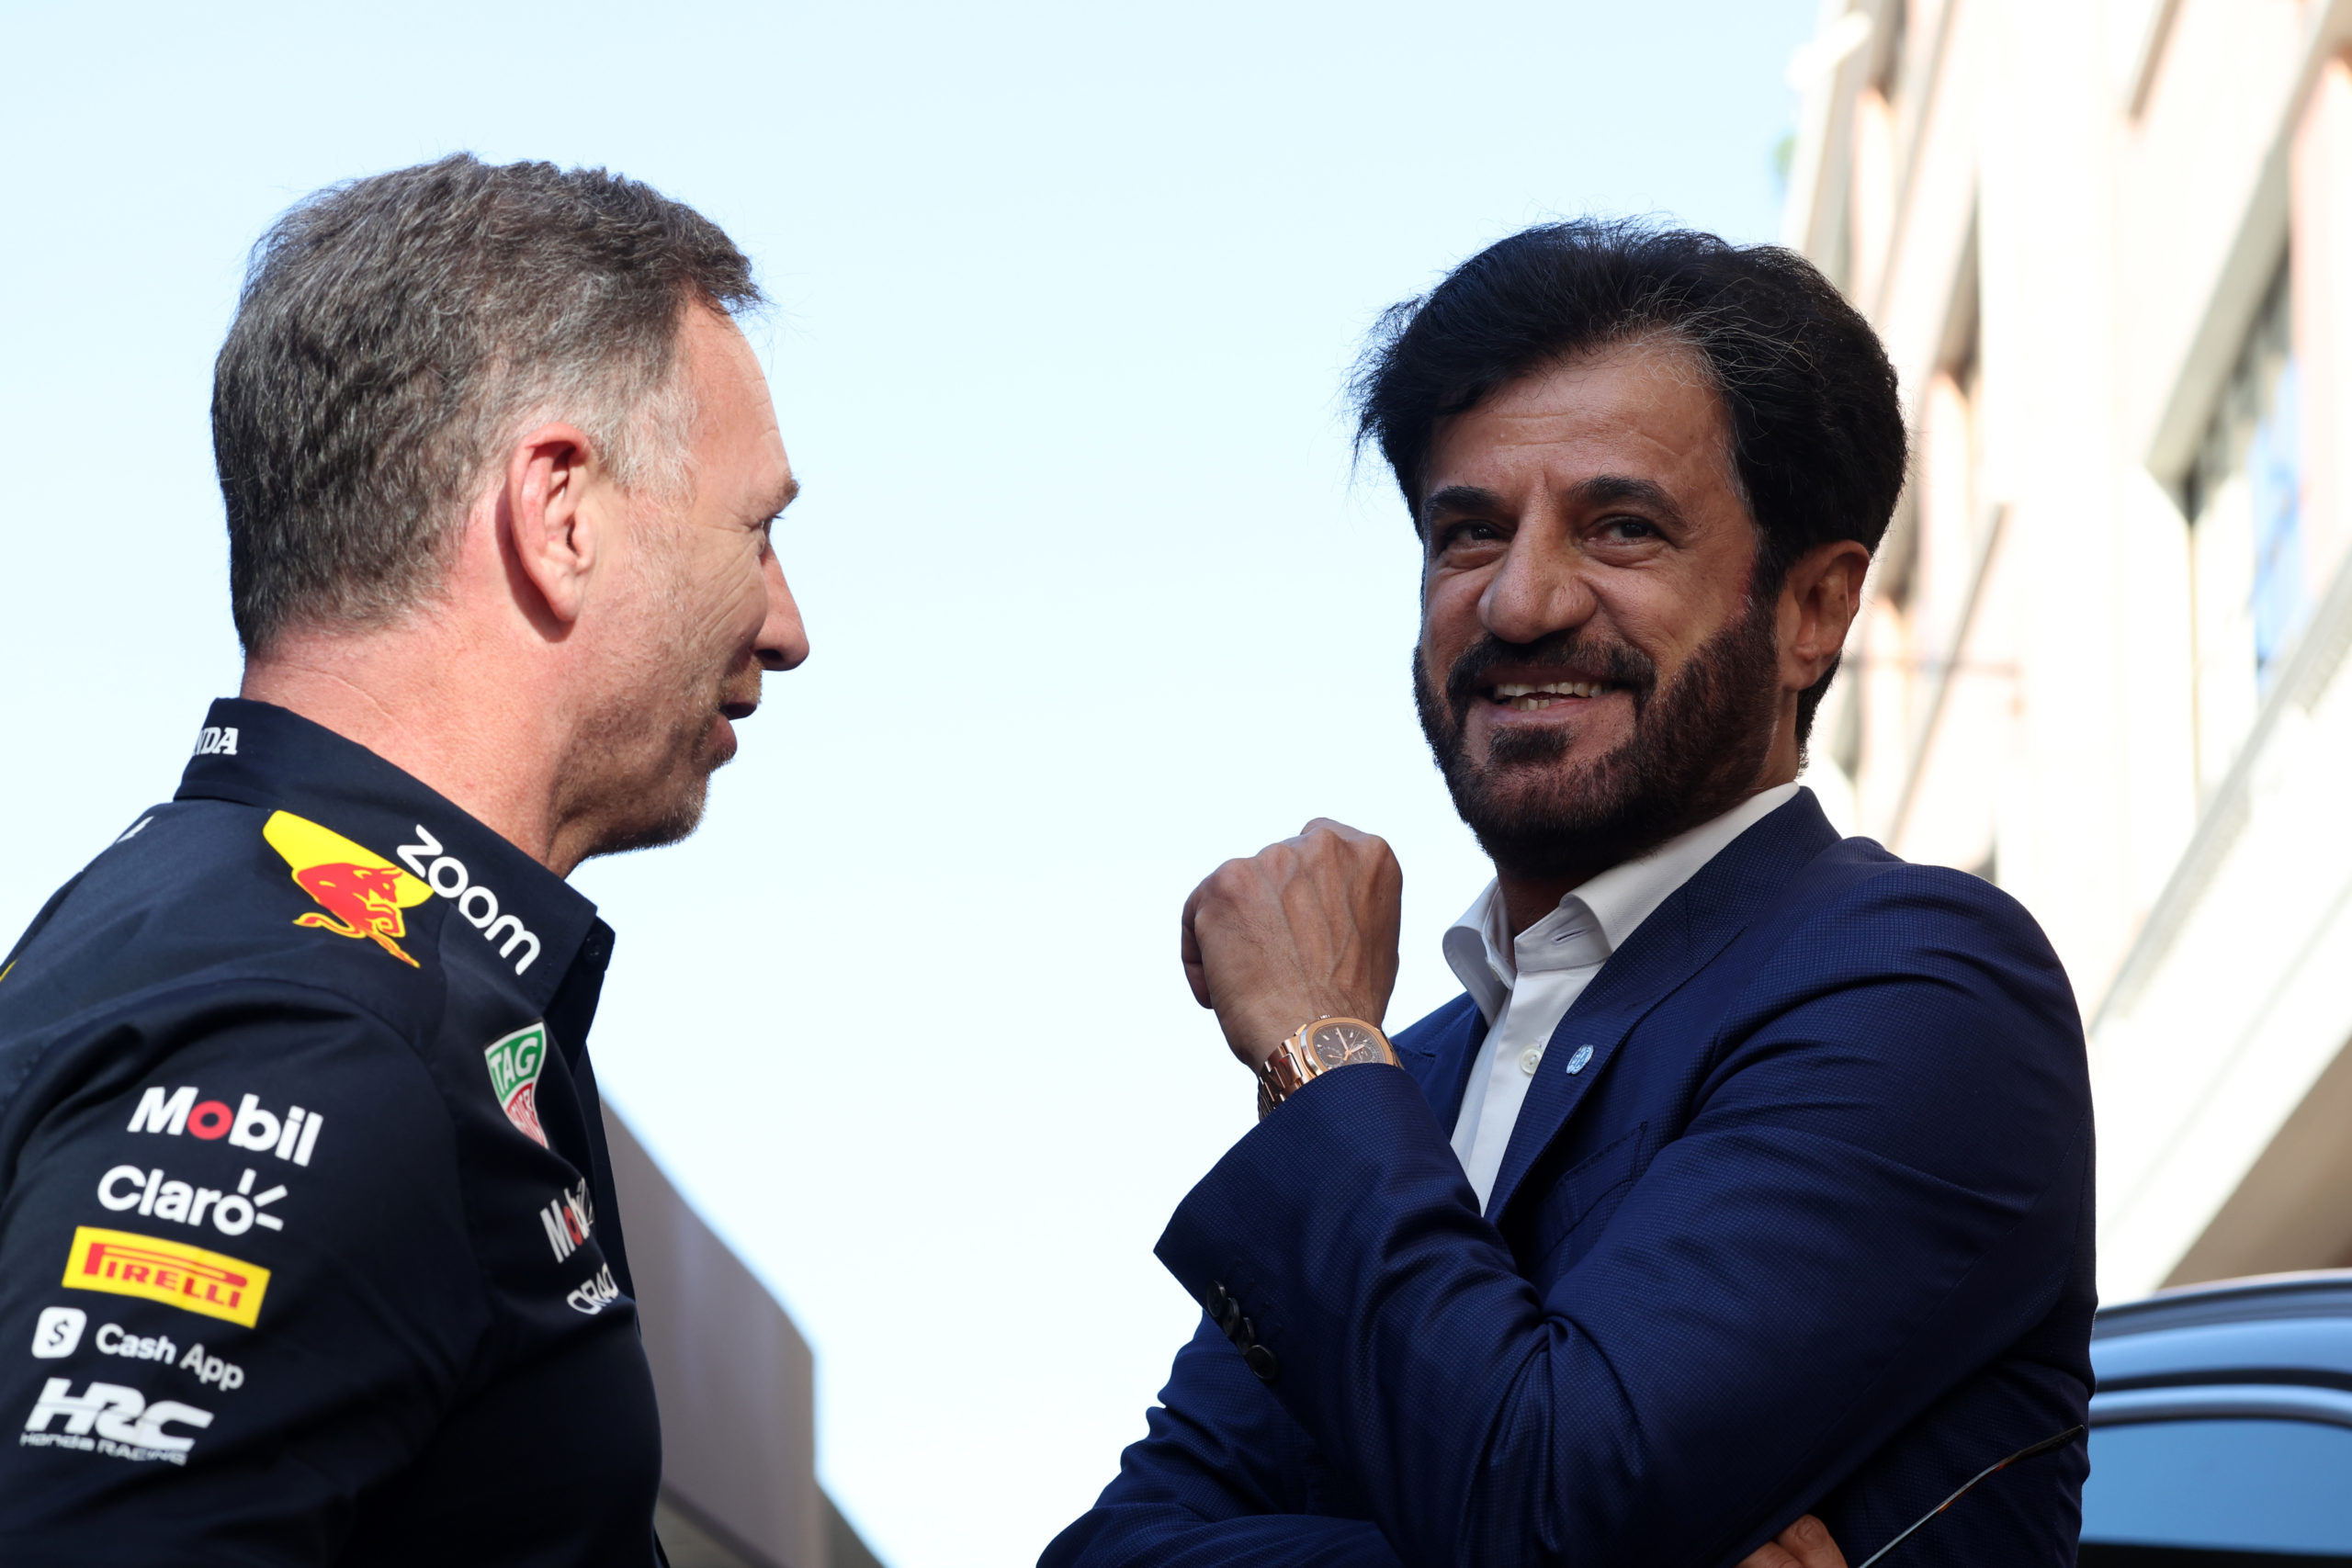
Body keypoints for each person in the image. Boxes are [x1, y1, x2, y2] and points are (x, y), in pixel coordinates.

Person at [1044, 221, 2093, 1567]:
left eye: (1621, 529)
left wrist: (1311, 1041)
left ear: (1813, 609)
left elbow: (1551, 1509)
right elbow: (1111, 1555)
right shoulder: (1404, 1084)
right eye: (1468, 534)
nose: (1521, 602)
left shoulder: (1920, 988)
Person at [0, 155, 807, 1564]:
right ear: (560, 512)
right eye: (759, 533)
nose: (788, 626)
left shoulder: (210, 931)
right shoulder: (323, 1033)